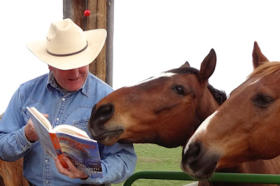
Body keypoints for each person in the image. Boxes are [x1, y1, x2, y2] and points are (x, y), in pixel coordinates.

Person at [0, 18, 136, 186]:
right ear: (50, 65)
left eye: (81, 63)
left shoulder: (107, 98)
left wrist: (89, 173)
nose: (76, 72)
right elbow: (3, 149)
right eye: (67, 66)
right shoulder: (25, 93)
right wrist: (26, 135)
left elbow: (125, 160)